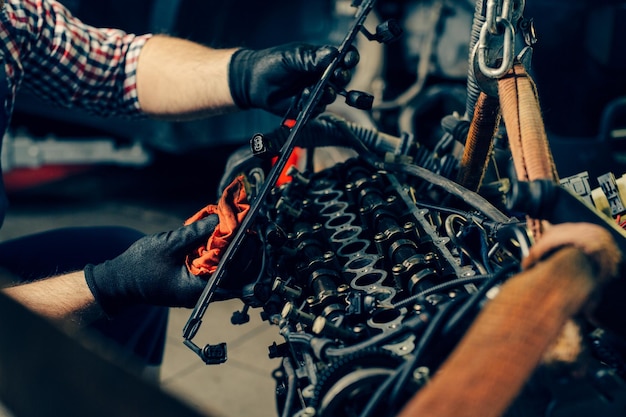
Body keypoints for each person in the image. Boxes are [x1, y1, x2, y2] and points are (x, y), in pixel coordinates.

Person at [0, 0, 358, 372]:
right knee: (117, 286)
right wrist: (110, 285)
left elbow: (117, 65)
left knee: (114, 252)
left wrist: (242, 73)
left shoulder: (8, 18)